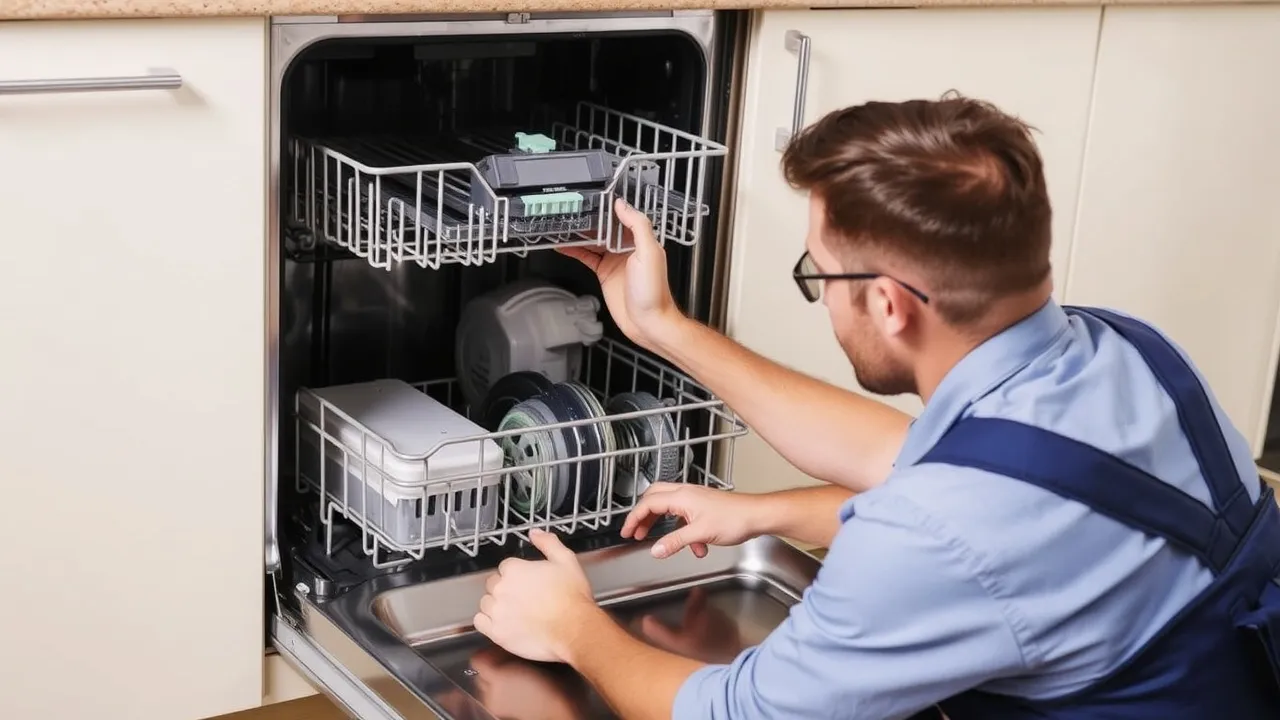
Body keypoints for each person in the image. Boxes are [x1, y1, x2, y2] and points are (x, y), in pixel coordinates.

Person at [472, 94, 1280, 719]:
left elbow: (734, 711)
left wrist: (572, 627)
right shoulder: (1132, 356)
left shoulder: (942, 534)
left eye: (817, 274)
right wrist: (662, 330)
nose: (820, 296)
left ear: (891, 305)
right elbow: (934, 468)